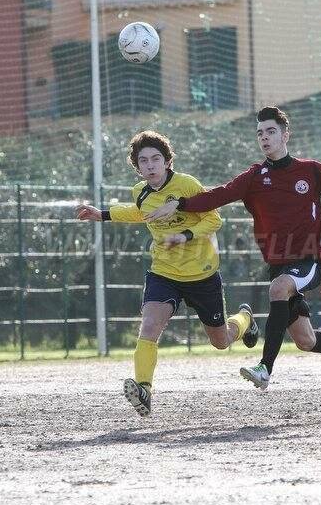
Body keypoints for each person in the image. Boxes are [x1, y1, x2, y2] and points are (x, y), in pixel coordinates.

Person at [145, 106, 321, 390]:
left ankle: (265, 368)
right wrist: (179, 203)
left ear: (285, 135)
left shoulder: (310, 171)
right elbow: (218, 196)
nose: (264, 137)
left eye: (271, 131)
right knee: (306, 340)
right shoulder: (254, 177)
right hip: (279, 265)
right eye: (260, 133)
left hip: (309, 260)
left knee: (278, 288)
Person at [76, 130, 259, 416]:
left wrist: (185, 235)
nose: (150, 165)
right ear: (137, 166)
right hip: (163, 273)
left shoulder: (187, 185)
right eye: (143, 161)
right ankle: (144, 389)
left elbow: (213, 219)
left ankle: (245, 320)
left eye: (156, 159)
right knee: (149, 327)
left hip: (202, 275)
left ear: (167, 161)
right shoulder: (140, 192)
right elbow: (139, 212)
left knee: (221, 341)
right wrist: (102, 214)